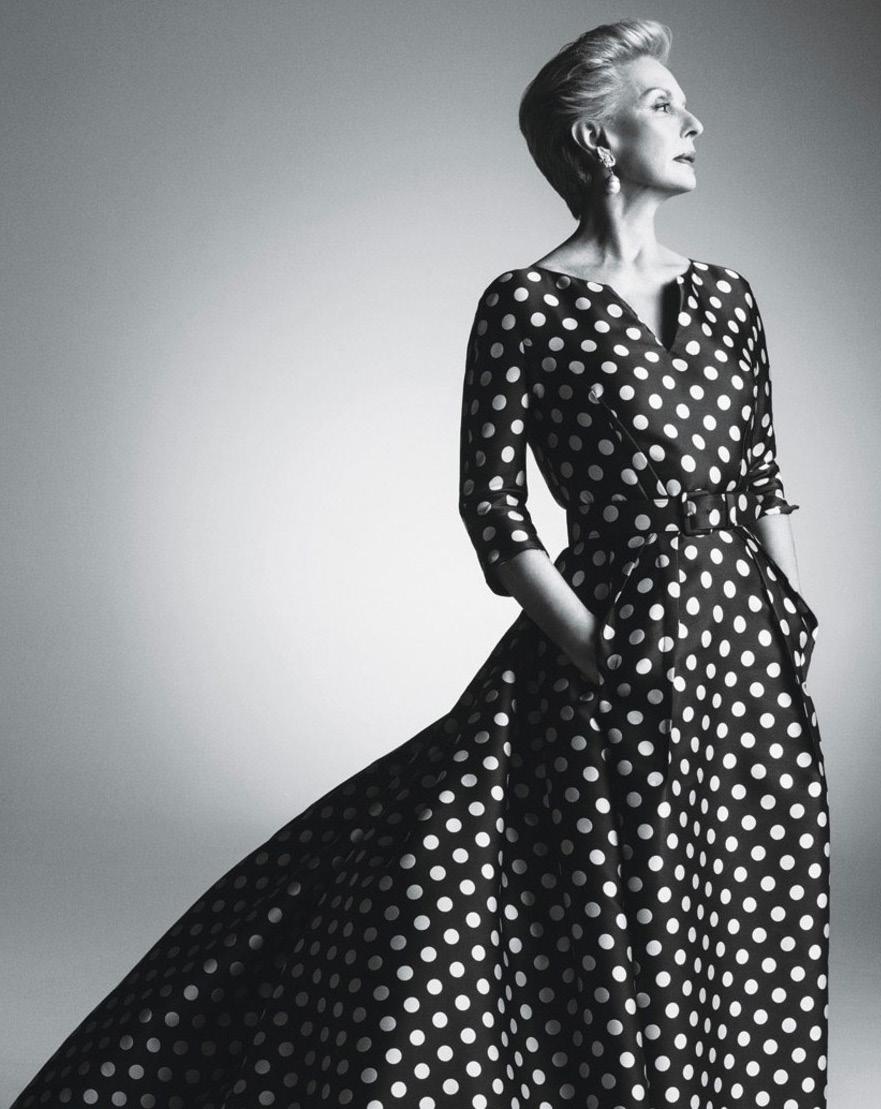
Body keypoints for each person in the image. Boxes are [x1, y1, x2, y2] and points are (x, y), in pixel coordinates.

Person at [11, 17, 829, 1109]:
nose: (695, 121)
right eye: (663, 104)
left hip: (748, 659)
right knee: (592, 908)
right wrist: (598, 652)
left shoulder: (728, 298)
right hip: (611, 655)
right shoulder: (526, 304)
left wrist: (788, 620)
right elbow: (493, 509)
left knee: (749, 897)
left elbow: (761, 478)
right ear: (595, 140)